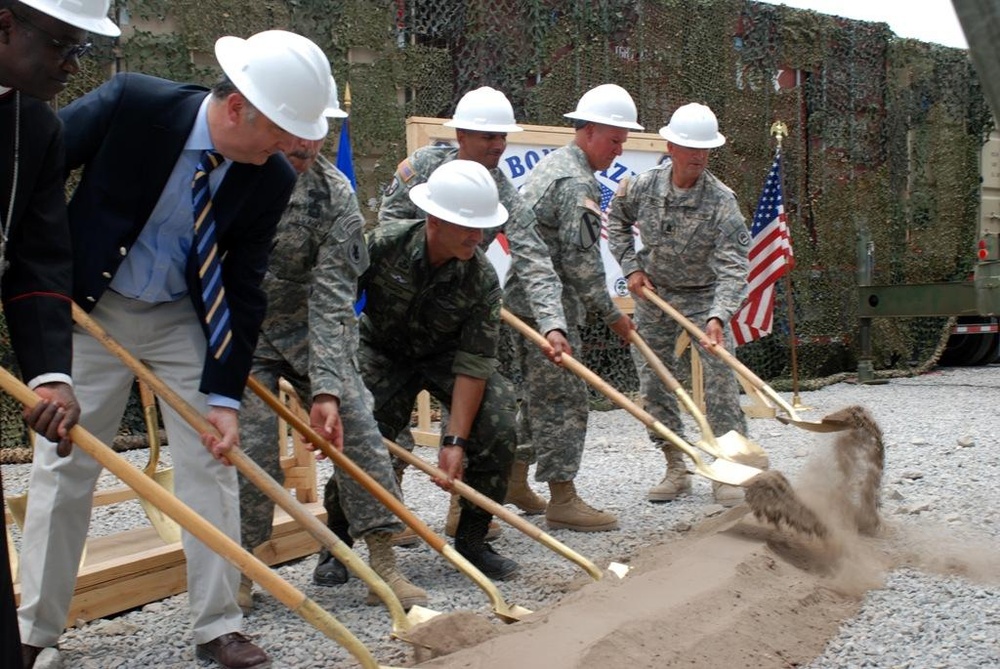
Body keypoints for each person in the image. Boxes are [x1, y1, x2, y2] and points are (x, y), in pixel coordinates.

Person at [15, 29, 333, 669]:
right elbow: (39, 167)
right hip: (91, 307)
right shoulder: (135, 105)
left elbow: (243, 289)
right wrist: (40, 280)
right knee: (65, 462)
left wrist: (223, 395)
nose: (287, 148)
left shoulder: (267, 177)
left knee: (213, 460)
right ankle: (34, 634)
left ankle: (218, 624)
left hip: (184, 317)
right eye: (279, 130)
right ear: (238, 106)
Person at [236, 85, 427, 612]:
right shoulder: (236, 173)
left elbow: (332, 298)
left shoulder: (334, 194)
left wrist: (326, 389)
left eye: (318, 132)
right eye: (295, 130)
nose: (306, 144)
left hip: (308, 329)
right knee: (248, 450)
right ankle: (239, 570)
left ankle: (382, 565)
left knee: (359, 424)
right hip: (239, 332)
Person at [378, 86, 570, 532]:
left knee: (478, 404)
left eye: (502, 136)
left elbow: (533, 255)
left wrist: (552, 323)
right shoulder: (424, 169)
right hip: (401, 312)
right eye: (487, 137)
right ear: (461, 135)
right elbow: (388, 228)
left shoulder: (501, 189)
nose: (498, 145)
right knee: (384, 413)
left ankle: (461, 509)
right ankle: (388, 509)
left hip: (458, 316)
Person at [0, 0, 118, 666]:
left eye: (82, 51)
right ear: (4, 22)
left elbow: (40, 259)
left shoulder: (33, 129)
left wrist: (50, 373)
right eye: (61, 45)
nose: (71, 67)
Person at [359, 160, 520, 579]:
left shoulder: (482, 279)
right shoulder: (382, 244)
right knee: (359, 428)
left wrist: (454, 441)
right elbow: (336, 303)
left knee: (500, 419)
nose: (478, 236)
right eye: (468, 226)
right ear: (434, 218)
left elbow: (474, 362)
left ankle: (472, 539)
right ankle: (338, 539)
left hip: (446, 358)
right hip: (382, 349)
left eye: (483, 227)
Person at [502, 84, 640, 532]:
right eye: (614, 139)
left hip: (528, 304)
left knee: (540, 398)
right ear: (588, 131)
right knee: (564, 400)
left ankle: (514, 481)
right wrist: (614, 315)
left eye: (623, 142)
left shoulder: (553, 165)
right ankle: (563, 498)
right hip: (548, 311)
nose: (618, 151)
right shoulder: (577, 181)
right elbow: (582, 267)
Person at [607, 102, 758, 507]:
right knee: (653, 378)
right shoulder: (643, 187)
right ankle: (676, 463)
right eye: (689, 147)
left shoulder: (722, 202)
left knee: (721, 378)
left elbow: (733, 267)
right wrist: (631, 267)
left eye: (705, 149)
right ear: (670, 145)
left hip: (705, 295)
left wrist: (718, 316)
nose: (697, 156)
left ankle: (728, 467)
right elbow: (616, 221)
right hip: (656, 294)